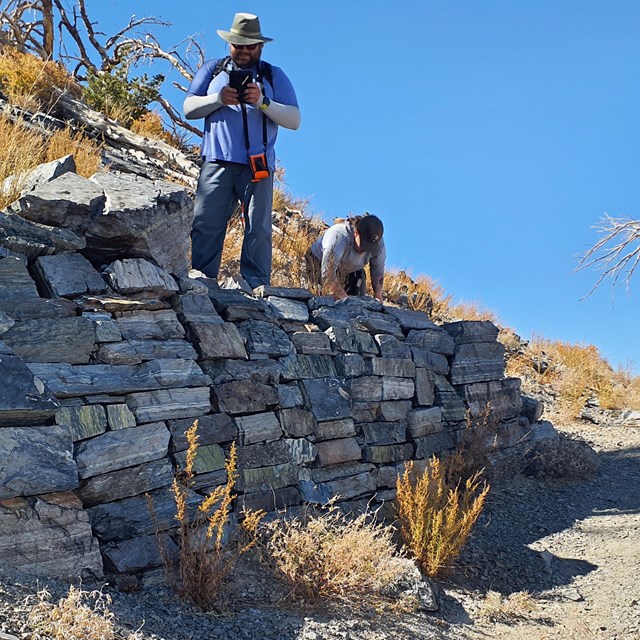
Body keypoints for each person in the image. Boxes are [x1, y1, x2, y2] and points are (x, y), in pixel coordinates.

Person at [184, 12, 300, 288]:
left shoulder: (272, 75)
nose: (244, 51)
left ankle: (256, 287)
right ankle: (202, 281)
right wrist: (218, 99)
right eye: (239, 45)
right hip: (216, 161)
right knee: (205, 224)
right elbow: (189, 108)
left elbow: (294, 120)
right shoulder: (213, 70)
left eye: (250, 46)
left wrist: (262, 101)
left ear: (260, 46)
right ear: (230, 44)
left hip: (257, 165)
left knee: (258, 229)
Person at [306, 214, 386, 302]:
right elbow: (328, 274)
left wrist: (378, 297)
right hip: (318, 264)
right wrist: (346, 301)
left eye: (369, 247)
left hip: (349, 270)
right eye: (364, 245)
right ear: (356, 233)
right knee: (324, 299)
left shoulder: (378, 244)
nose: (365, 250)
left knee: (358, 301)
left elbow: (377, 271)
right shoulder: (338, 237)